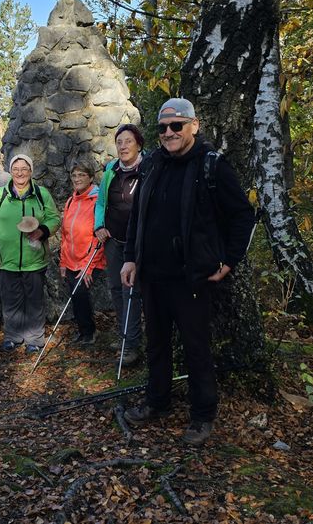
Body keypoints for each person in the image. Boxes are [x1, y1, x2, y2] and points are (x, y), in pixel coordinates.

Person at [120, 98, 255, 445]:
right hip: (152, 275)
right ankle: (157, 400)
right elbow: (138, 217)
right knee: (156, 344)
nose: (169, 133)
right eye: (163, 128)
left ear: (194, 126)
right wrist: (131, 258)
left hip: (191, 277)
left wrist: (229, 260)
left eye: (176, 126)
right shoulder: (152, 164)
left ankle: (202, 415)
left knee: (196, 348)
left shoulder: (212, 166)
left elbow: (243, 215)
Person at [0, 154, 60, 354]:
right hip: (6, 260)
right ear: (10, 171)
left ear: (31, 171)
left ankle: (34, 339)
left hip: (34, 259)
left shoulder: (41, 194)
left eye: (24, 169)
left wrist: (42, 231)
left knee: (34, 300)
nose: (20, 173)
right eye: (16, 169)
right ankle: (13, 336)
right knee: (11, 300)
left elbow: (54, 218)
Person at [94, 124, 149, 364]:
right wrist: (99, 226)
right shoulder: (111, 171)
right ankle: (124, 333)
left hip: (138, 244)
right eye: (119, 142)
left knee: (131, 292)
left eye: (128, 141)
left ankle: (131, 344)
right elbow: (100, 202)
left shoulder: (149, 168)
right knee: (117, 289)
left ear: (139, 144)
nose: (123, 146)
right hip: (113, 240)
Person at [59, 162, 106, 345]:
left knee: (80, 293)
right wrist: (63, 262)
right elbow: (65, 234)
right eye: (74, 175)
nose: (77, 179)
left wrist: (89, 265)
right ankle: (83, 331)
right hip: (71, 259)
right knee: (75, 295)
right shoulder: (70, 201)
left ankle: (90, 332)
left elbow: (99, 237)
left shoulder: (97, 201)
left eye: (82, 175)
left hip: (90, 259)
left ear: (91, 177)